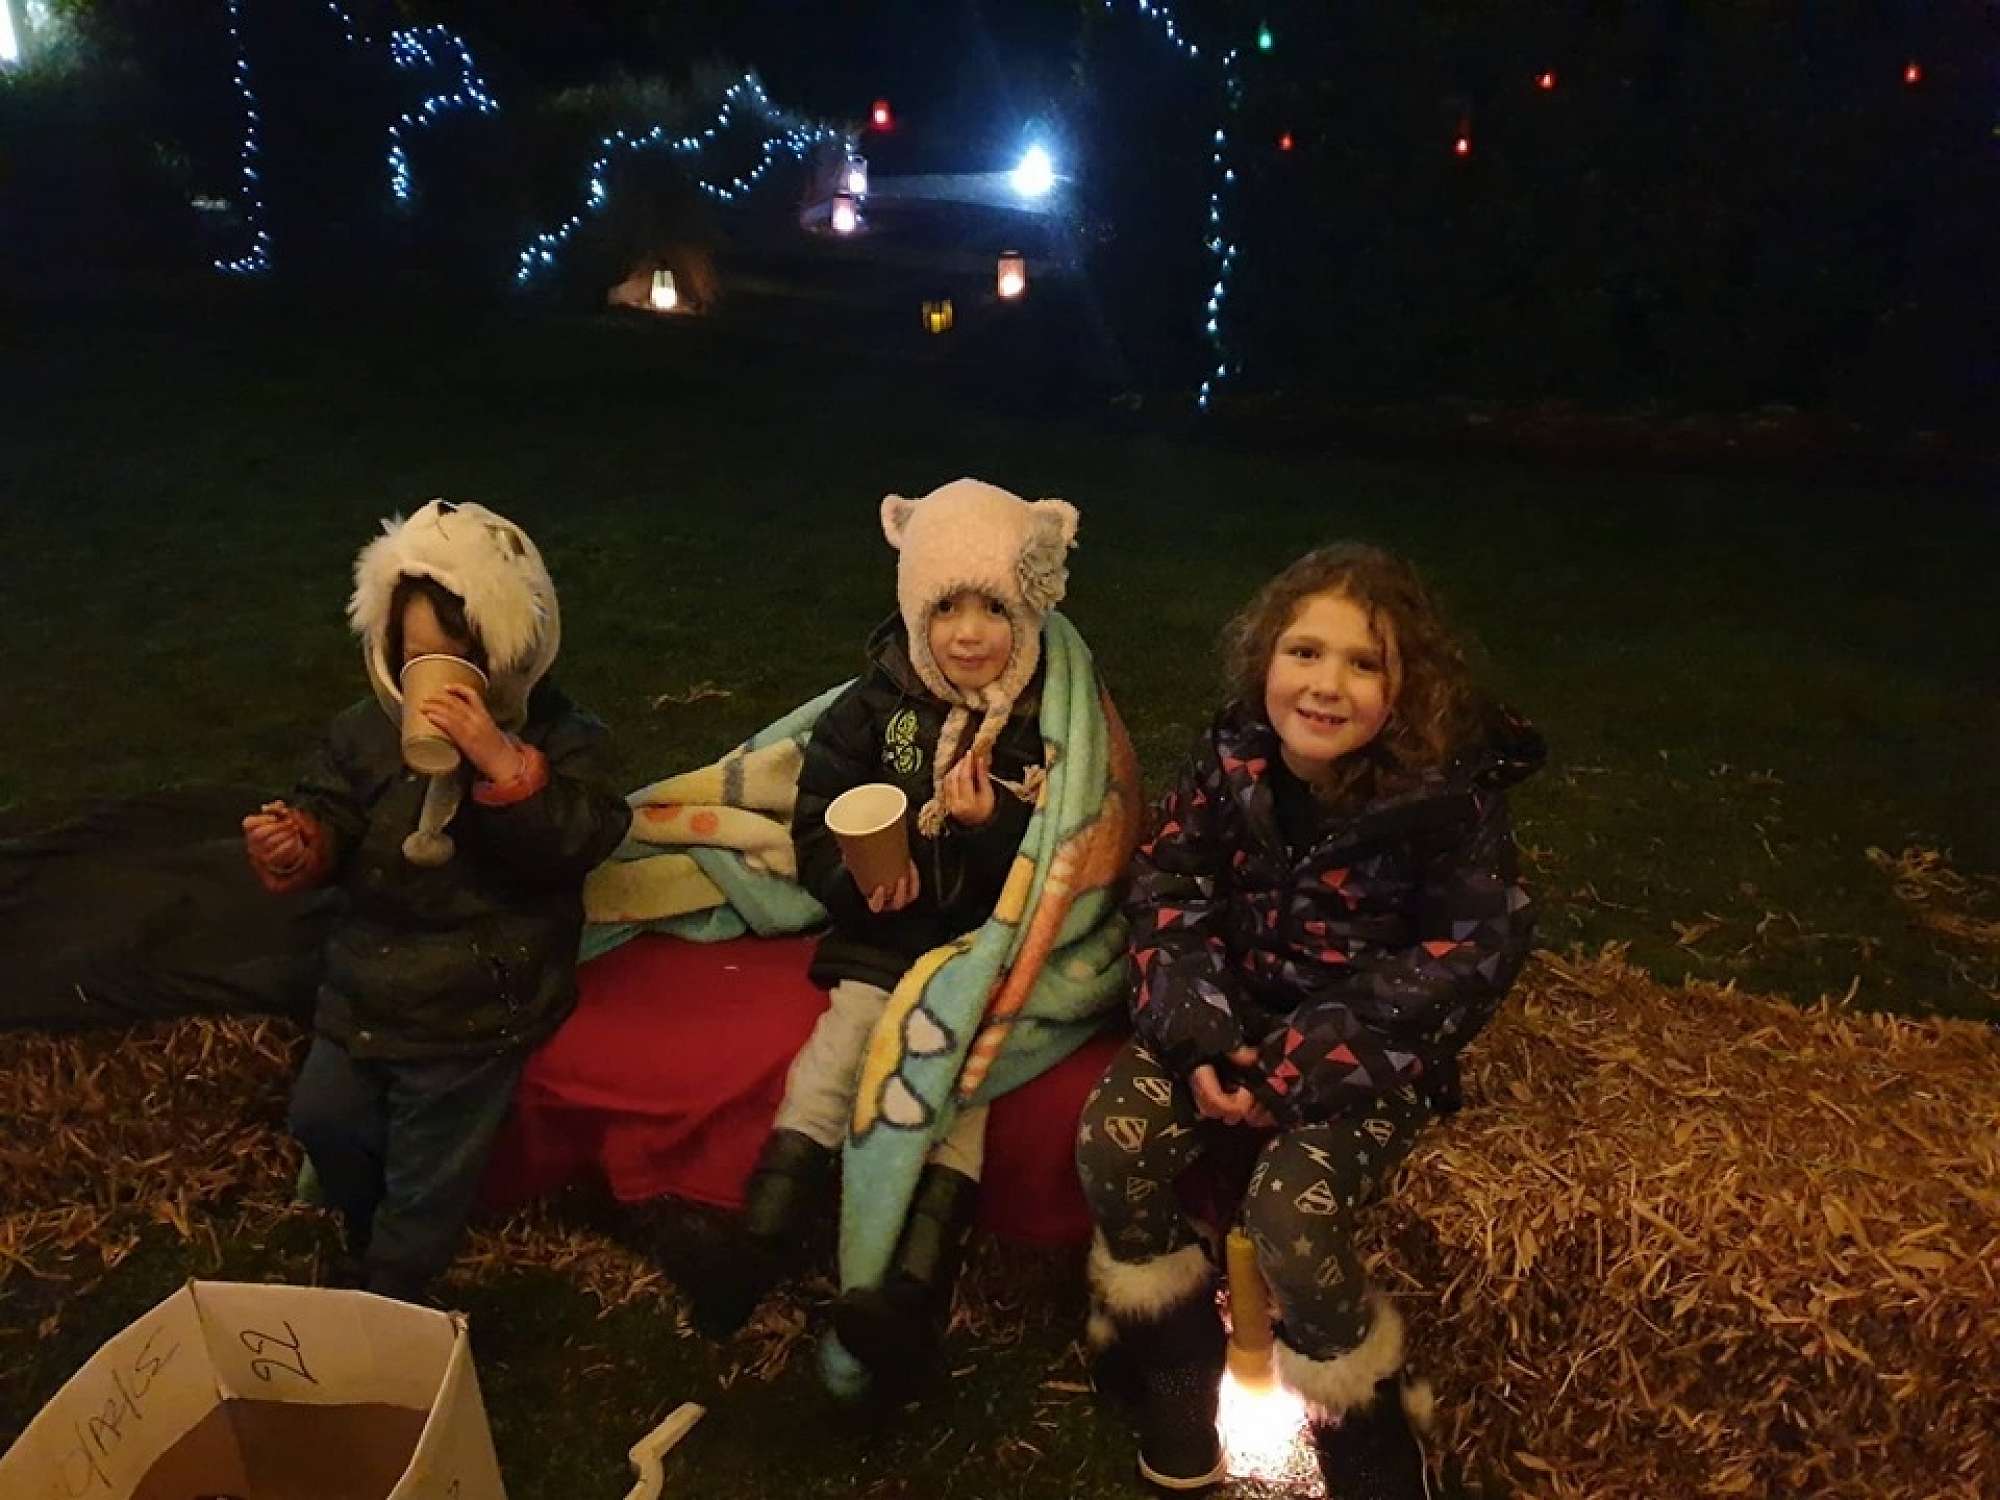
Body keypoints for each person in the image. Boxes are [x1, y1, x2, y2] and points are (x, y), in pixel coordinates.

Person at [1076, 543, 1545, 1494]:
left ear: (1410, 688)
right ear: (1264, 659)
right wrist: (1199, 1035)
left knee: (1291, 1218)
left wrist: (1290, 1072)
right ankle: (1174, 1371)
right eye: (1304, 652)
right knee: (1111, 1145)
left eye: (1364, 663)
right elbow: (1171, 883)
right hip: (1229, 1014)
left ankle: (1368, 1442)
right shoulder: (1232, 757)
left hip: (1366, 1053)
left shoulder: (1445, 802)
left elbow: (1465, 958)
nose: (1327, 684)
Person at [694, 477, 1081, 1386]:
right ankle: (761, 1238)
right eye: (946, 607)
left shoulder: (1045, 723)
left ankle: (910, 1293)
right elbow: (815, 824)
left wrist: (991, 829)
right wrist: (860, 883)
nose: (970, 633)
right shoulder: (873, 712)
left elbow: (1069, 851)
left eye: (995, 607)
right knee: (838, 1057)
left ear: (1028, 610)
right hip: (881, 937)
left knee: (960, 1091)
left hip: (982, 957)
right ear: (914, 607)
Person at [244, 499, 630, 1304]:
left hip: (481, 990)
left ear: (512, 651)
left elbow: (577, 840)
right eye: (416, 658)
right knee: (323, 1118)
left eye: (459, 662)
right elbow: (331, 805)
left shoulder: (562, 737)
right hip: (369, 978)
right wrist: (302, 840)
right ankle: (363, 1225)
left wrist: (504, 765)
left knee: (429, 1160)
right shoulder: (363, 733)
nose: (435, 683)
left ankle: (395, 1285)